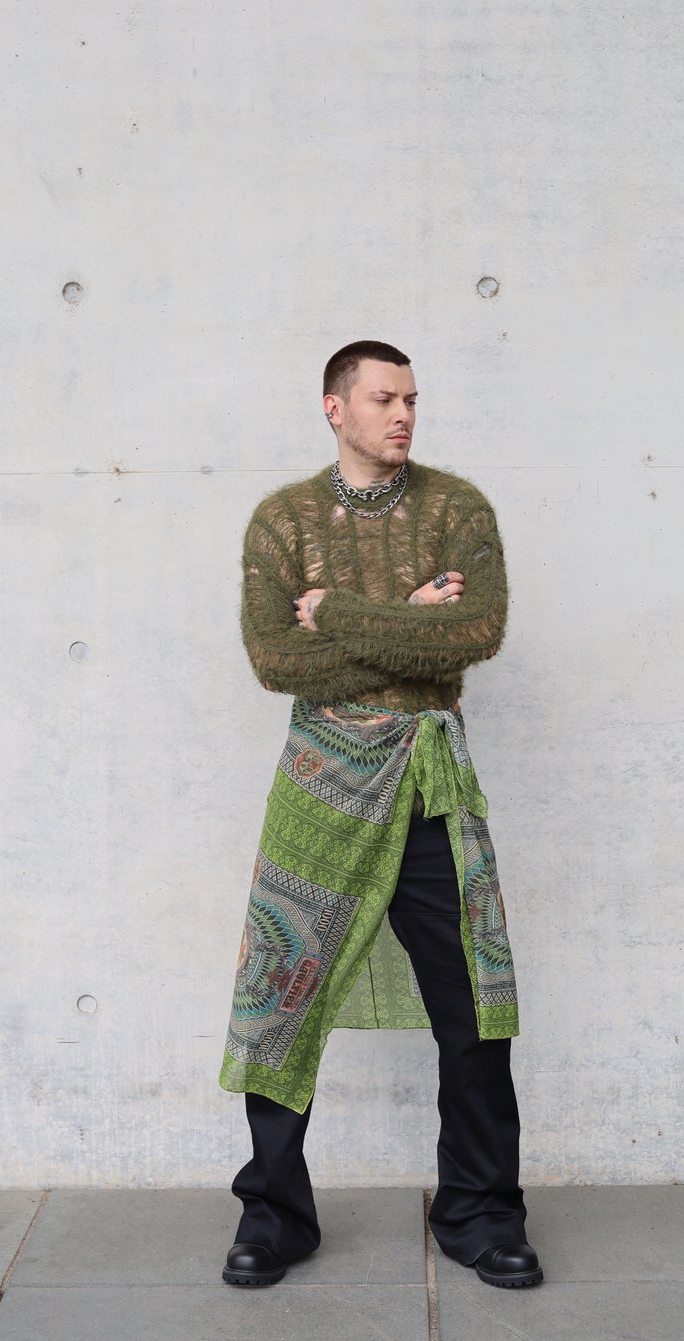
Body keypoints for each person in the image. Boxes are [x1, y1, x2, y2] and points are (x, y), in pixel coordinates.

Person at [219, 340, 542, 1289]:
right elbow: (276, 663)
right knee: (281, 996)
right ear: (335, 408)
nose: (402, 415)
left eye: (411, 399)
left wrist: (341, 613)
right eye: (382, 399)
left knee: (474, 1005)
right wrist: (409, 614)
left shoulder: (457, 510)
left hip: (431, 782)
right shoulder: (282, 521)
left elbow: (473, 634)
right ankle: (275, 1217)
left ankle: (480, 1213)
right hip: (320, 783)